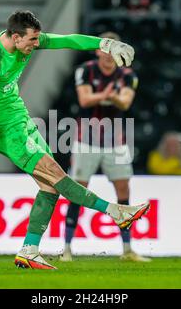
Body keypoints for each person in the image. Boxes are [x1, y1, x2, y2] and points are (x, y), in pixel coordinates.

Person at [0, 10, 149, 270]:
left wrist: (104, 43)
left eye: (37, 40)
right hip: (3, 130)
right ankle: (116, 212)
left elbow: (68, 40)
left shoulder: (26, 41)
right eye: (33, 41)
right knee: (55, 173)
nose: (37, 44)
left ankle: (29, 250)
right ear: (15, 37)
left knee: (50, 186)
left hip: (21, 120)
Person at [60, 32, 150, 263]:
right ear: (98, 51)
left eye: (114, 50)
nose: (109, 55)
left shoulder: (128, 74)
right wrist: (110, 96)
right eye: (106, 50)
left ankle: (128, 249)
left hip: (116, 142)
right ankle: (67, 249)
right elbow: (84, 101)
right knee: (78, 192)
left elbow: (126, 102)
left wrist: (102, 96)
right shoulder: (85, 70)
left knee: (123, 191)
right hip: (85, 140)